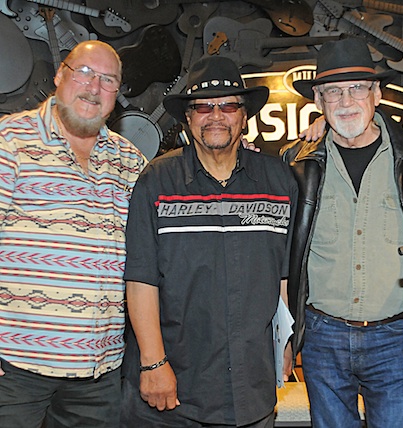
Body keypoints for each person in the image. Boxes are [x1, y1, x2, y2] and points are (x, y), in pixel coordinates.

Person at [120, 55, 298, 428]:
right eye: (203, 106)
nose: (215, 115)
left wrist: (284, 344)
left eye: (228, 105)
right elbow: (140, 279)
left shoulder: (279, 182)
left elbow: (283, 276)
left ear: (244, 115)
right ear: (188, 117)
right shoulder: (156, 181)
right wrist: (153, 363)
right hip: (173, 391)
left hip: (252, 389)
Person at [0, 40, 146, 427]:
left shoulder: (129, 160)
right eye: (84, 72)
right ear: (59, 75)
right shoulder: (9, 142)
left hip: (98, 376)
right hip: (14, 369)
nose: (93, 87)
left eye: (107, 80)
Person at [280, 37, 403, 427]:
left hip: (394, 337)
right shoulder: (295, 163)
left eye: (357, 88)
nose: (345, 101)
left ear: (377, 94)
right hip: (323, 338)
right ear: (318, 102)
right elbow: (282, 252)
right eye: (333, 92)